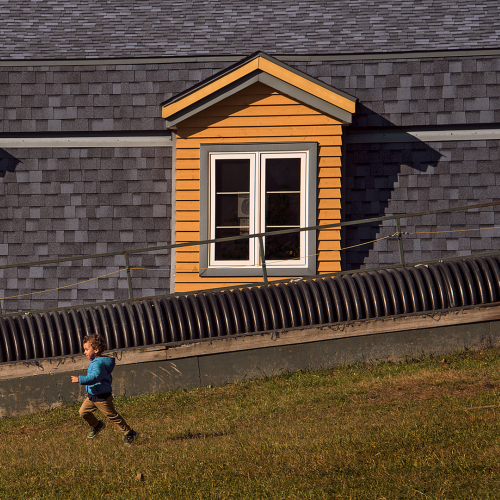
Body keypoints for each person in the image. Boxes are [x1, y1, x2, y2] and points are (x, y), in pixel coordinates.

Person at [71, 333, 138, 446]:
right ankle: (97, 426)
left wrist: (80, 379)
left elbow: (94, 377)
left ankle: (129, 432)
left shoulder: (99, 364)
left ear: (96, 349)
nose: (85, 352)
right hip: (93, 395)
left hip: (101, 397)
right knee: (83, 412)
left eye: (87, 349)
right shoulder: (95, 362)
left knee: (112, 415)